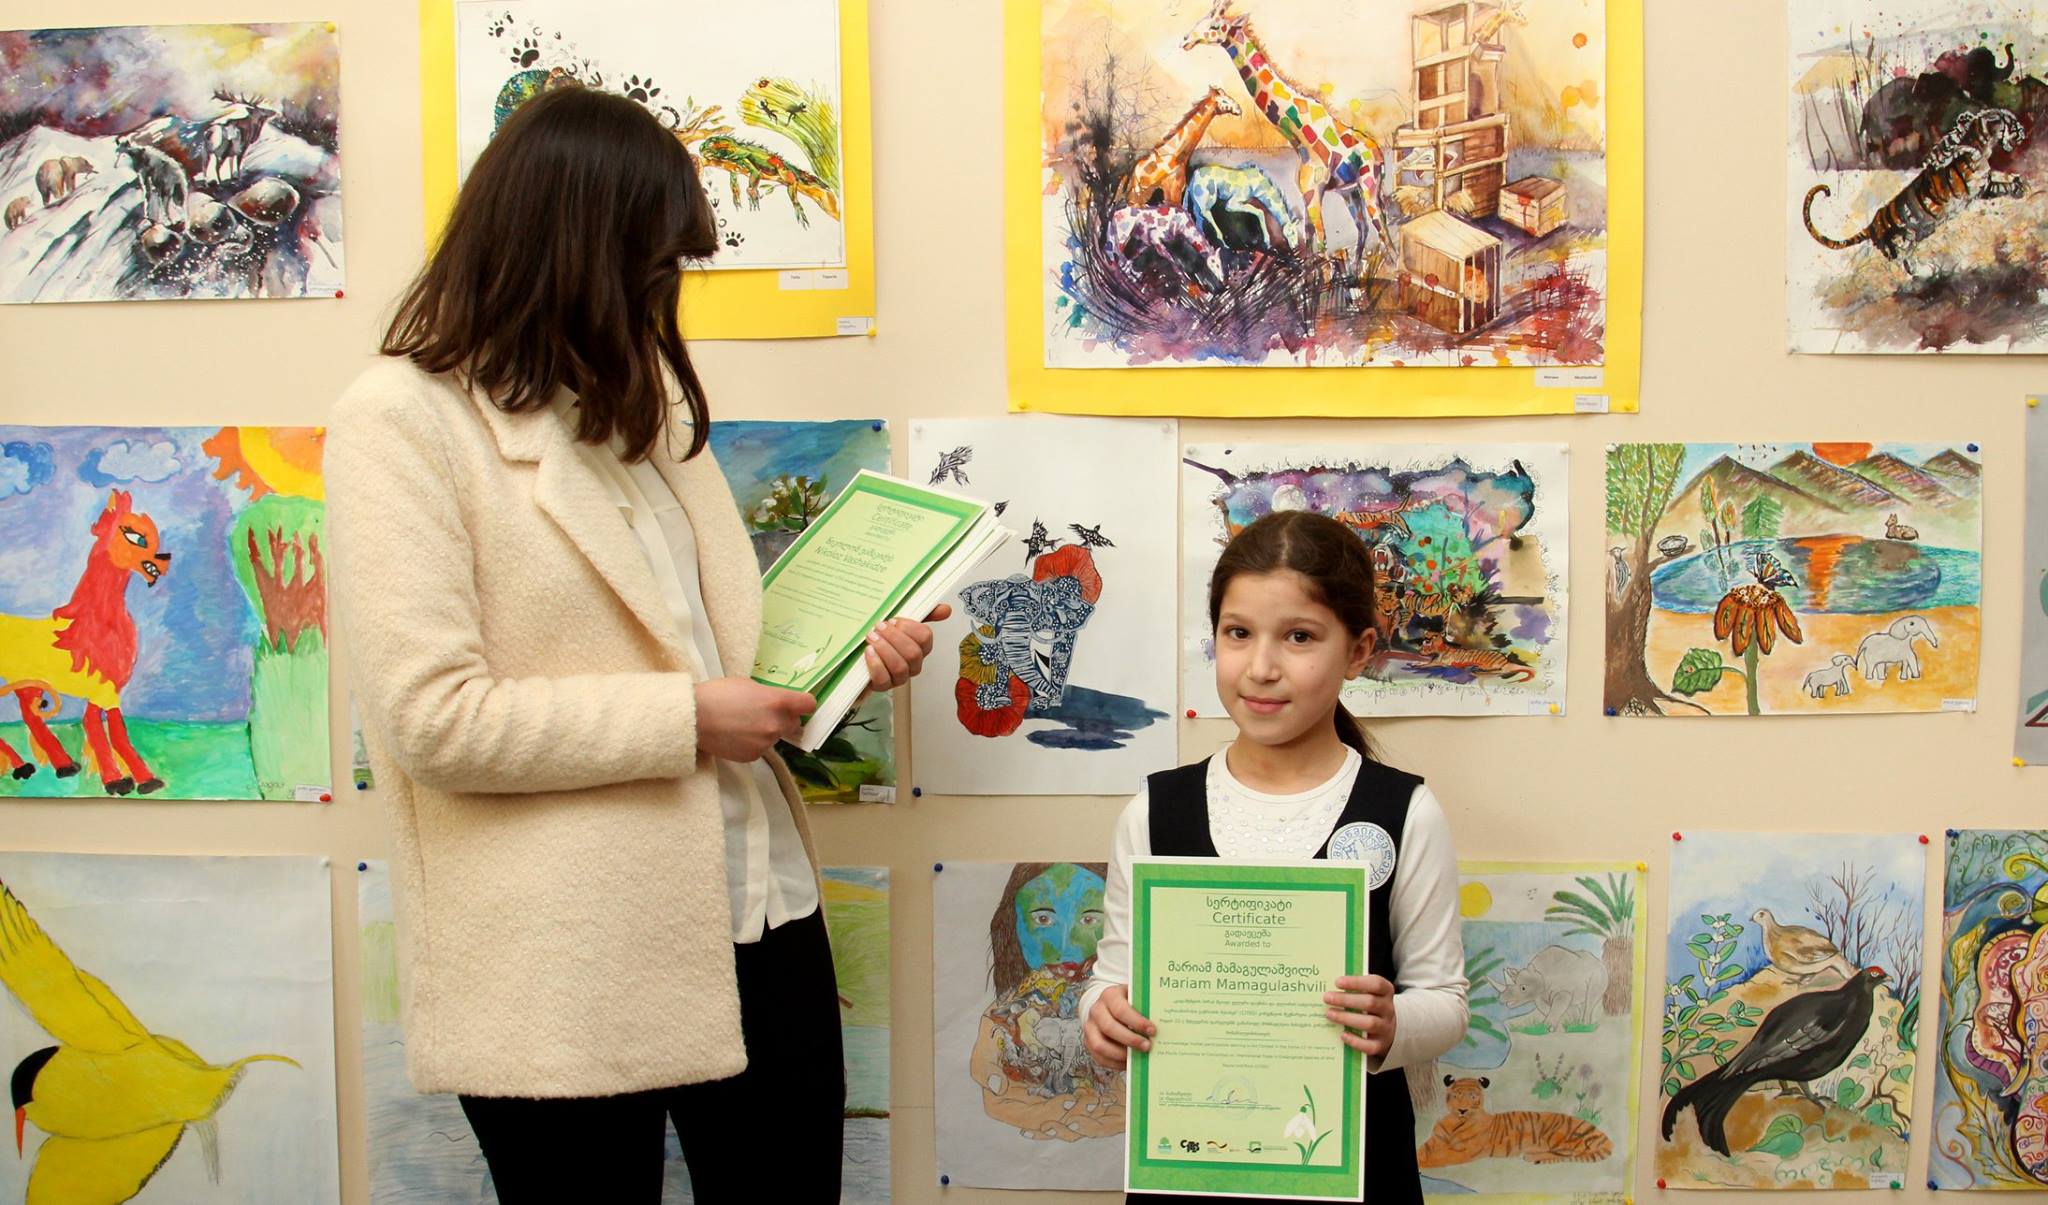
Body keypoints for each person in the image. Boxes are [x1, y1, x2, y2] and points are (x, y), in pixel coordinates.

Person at [325, 85, 942, 1201]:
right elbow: (432, 720)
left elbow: (710, 654)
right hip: (565, 960)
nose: (665, 295)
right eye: (652, 265)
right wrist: (690, 719)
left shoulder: (635, 406)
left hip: (764, 908)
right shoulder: (400, 420)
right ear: (570, 249)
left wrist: (844, 664)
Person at [1079, 510, 1467, 1204]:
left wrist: (1393, 1025)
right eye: (1238, 633)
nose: (1261, 667)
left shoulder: (1404, 810)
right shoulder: (1156, 810)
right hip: (1190, 1171)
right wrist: (1102, 1013)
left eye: (1299, 637)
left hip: (1356, 1173)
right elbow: (1112, 977)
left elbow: (1445, 1000)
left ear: (1358, 651)